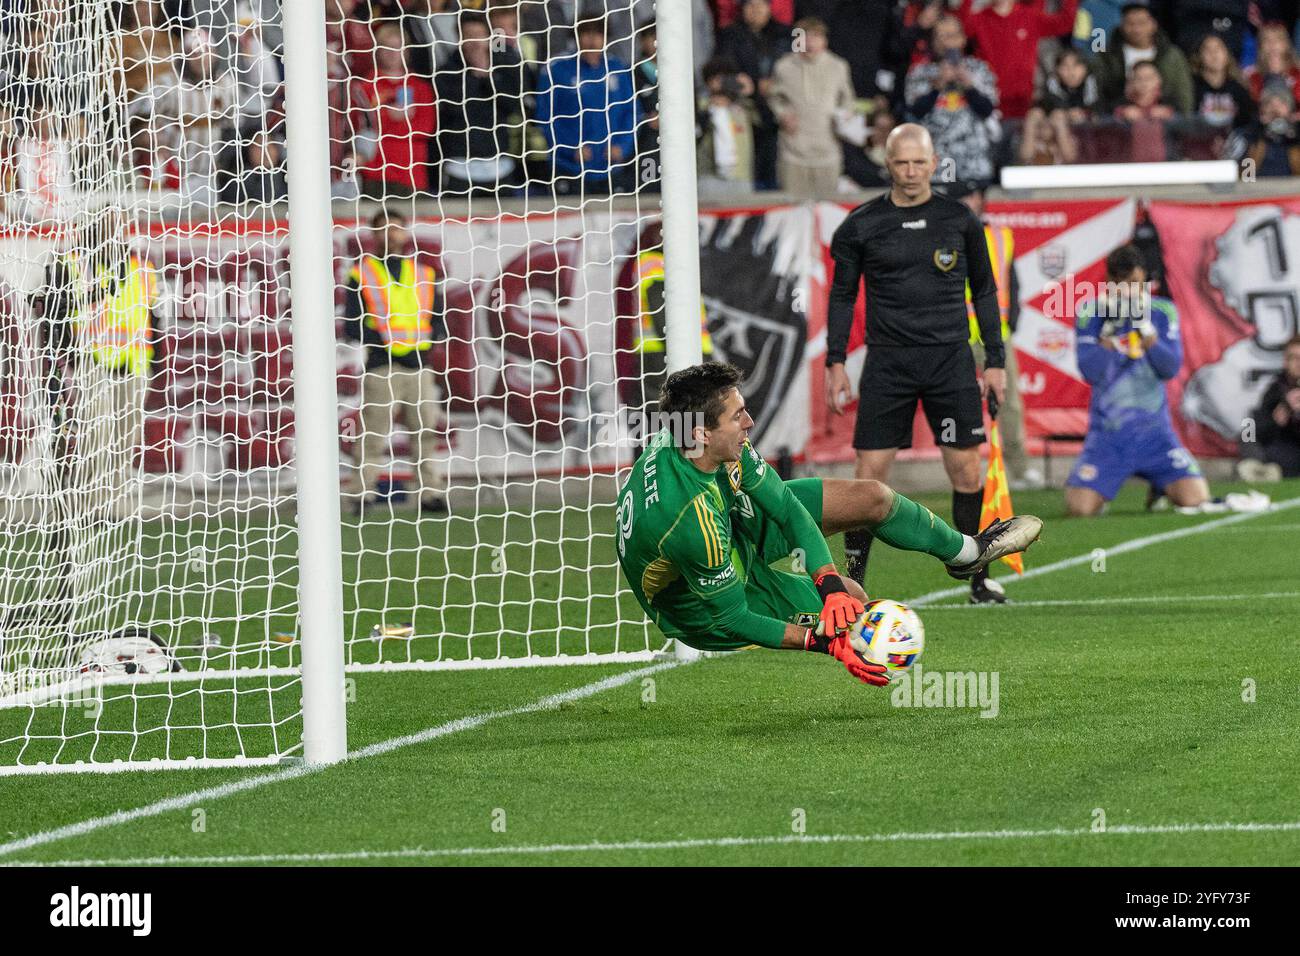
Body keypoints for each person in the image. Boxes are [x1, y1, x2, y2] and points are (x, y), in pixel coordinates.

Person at [615, 362, 1042, 679]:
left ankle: (968, 553)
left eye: (744, 409)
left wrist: (828, 583)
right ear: (702, 433)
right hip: (700, 605)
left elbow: (784, 508)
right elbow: (733, 617)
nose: (750, 422)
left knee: (872, 497)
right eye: (737, 417)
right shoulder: (689, 519)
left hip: (726, 522)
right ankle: (853, 640)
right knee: (855, 614)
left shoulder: (703, 440)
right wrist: (825, 643)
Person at [823, 123, 1013, 604]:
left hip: (949, 361)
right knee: (869, 476)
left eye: (918, 162)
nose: (910, 171)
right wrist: (836, 361)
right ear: (888, 164)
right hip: (888, 364)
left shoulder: (960, 220)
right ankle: (855, 585)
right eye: (900, 162)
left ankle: (976, 578)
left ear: (933, 163)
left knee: (967, 471)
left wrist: (994, 360)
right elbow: (843, 296)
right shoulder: (861, 225)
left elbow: (985, 292)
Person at [1065, 244, 1210, 516]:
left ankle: (1161, 486)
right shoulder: (1091, 313)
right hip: (1108, 437)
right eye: (1123, 283)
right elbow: (1090, 372)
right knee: (1079, 509)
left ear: (1145, 280)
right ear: (1109, 282)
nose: (1130, 291)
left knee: (1196, 500)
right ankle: (1103, 487)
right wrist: (1107, 334)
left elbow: (1169, 368)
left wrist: (1146, 331)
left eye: (1136, 283)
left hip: (1155, 434)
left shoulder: (1163, 311)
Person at [38, 207, 162, 521]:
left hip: (135, 365)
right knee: (96, 438)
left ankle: (113, 504)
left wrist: (158, 360)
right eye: (104, 225)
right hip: (93, 366)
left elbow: (155, 317)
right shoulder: (75, 265)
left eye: (115, 224)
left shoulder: (141, 266)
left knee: (126, 438)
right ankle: (84, 504)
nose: (111, 231)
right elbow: (56, 314)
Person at [343, 208, 449, 516]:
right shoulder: (361, 273)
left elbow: (437, 317)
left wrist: (428, 339)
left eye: (396, 228)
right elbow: (352, 324)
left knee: (425, 431)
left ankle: (430, 493)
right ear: (374, 235)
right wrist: (383, 340)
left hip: (419, 364)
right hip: (382, 364)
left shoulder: (424, 274)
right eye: (384, 228)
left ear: (405, 232)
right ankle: (361, 492)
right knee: (374, 433)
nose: (391, 233)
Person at [950, 181, 1043, 492]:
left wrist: (1012, 320)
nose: (967, 201)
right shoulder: (944, 236)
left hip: (995, 337)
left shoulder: (1001, 237)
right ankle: (967, 470)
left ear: (980, 199)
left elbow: (1011, 283)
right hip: (956, 338)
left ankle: (1019, 469)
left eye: (970, 195)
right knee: (959, 406)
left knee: (1009, 403)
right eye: (961, 196)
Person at [534, 18, 638, 196]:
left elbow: (632, 112)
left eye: (598, 34)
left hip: (612, 168)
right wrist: (569, 148)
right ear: (576, 37)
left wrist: (622, 146)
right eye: (586, 34)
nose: (592, 40)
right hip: (569, 168)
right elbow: (545, 116)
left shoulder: (617, 68)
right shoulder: (557, 69)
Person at [903, 15, 999, 187]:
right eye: (942, 37)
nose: (948, 43)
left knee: (972, 211)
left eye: (952, 36)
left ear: (962, 39)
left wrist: (969, 86)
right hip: (941, 162)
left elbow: (988, 110)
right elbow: (915, 112)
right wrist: (937, 86)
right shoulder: (921, 72)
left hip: (974, 161)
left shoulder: (979, 69)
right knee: (945, 211)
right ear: (933, 41)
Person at [767, 16, 855, 196]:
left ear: (824, 40)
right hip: (793, 153)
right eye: (804, 36)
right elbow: (774, 98)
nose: (810, 41)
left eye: (816, 36)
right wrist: (782, 114)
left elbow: (848, 99)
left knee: (827, 212)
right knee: (793, 213)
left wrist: (844, 118)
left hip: (828, 152)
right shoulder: (783, 66)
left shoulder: (838, 66)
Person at [1090, 2, 1193, 115]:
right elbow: (1098, 94)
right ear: (1121, 25)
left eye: (1141, 23)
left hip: (1165, 124)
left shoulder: (1172, 56)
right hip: (1117, 123)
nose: (1136, 29)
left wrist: (1178, 116)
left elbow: (1183, 95)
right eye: (1130, 23)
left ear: (1154, 24)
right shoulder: (1107, 56)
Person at [1238, 334, 1300, 480]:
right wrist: (1276, 419)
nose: (1298, 363)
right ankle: (1256, 468)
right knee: (1248, 426)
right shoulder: (1277, 389)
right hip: (1282, 452)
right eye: (1294, 358)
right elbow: (1258, 429)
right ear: (1286, 361)